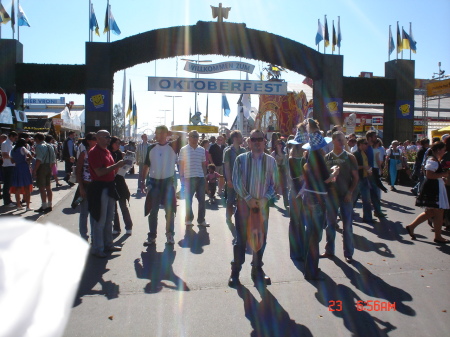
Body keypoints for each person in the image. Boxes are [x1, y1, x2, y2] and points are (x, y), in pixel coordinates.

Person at [228, 129, 279, 287]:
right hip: (244, 205)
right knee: (241, 241)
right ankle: (235, 272)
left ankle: (257, 270)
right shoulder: (241, 159)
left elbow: (274, 183)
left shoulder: (271, 161)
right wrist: (249, 199)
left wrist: (265, 199)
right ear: (248, 142)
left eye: (260, 139)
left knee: (260, 240)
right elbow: (236, 181)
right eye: (254, 139)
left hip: (262, 207)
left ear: (265, 141)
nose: (257, 142)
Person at [301, 119, 339, 280]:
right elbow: (326, 179)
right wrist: (335, 172)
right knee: (315, 236)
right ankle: (311, 269)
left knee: (310, 233)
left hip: (308, 197)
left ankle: (308, 266)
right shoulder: (318, 157)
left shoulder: (309, 157)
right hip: (317, 199)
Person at [88, 130, 126, 258]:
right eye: (106, 137)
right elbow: (99, 172)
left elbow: (111, 170)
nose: (109, 139)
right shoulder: (94, 152)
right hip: (100, 187)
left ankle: (108, 244)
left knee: (109, 217)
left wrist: (121, 167)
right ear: (97, 138)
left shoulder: (107, 151)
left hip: (109, 186)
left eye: (109, 137)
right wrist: (117, 165)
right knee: (100, 219)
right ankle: (98, 248)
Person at [322, 131, 359, 263]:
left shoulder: (350, 157)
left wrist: (350, 192)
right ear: (332, 141)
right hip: (331, 196)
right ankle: (329, 250)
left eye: (343, 139)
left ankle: (348, 253)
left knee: (347, 225)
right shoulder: (327, 157)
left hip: (345, 196)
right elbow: (324, 177)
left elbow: (356, 177)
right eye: (339, 140)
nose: (342, 142)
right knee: (330, 224)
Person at [406, 141, 449, 244]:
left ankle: (412, 227)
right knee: (437, 211)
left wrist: (441, 176)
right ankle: (437, 236)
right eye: (443, 150)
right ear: (438, 150)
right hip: (433, 188)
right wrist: (444, 174)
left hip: (435, 186)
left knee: (433, 211)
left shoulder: (434, 159)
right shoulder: (432, 160)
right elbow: (429, 175)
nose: (444, 152)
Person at [141, 125, 178, 245]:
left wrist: (171, 132)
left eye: (163, 133)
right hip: (154, 182)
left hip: (168, 182)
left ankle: (170, 235)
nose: (160, 135)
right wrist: (142, 181)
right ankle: (152, 236)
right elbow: (146, 166)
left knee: (169, 211)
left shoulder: (173, 146)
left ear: (167, 134)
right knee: (153, 211)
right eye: (158, 133)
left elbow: (184, 135)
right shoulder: (151, 148)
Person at [178, 130, 209, 227]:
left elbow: (203, 164)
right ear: (189, 137)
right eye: (193, 136)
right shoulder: (184, 149)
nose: (195, 138)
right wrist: (181, 177)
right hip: (188, 177)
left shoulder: (201, 150)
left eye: (196, 136)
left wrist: (205, 176)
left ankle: (201, 220)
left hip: (200, 177)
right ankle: (188, 219)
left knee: (202, 201)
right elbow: (181, 164)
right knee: (188, 200)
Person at [287, 126, 308, 261]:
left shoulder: (304, 159)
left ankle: (301, 250)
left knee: (301, 222)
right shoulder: (293, 159)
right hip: (297, 192)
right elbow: (297, 178)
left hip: (303, 192)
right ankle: (296, 251)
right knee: (296, 222)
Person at [353, 138, 383, 223]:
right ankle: (344, 214)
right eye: (365, 143)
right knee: (353, 199)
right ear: (360, 145)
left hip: (365, 178)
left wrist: (368, 171)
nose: (367, 145)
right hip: (358, 179)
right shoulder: (355, 154)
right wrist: (363, 167)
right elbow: (353, 167)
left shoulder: (365, 153)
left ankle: (367, 218)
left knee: (367, 199)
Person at [108, 136, 134, 236]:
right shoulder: (107, 153)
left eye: (119, 143)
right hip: (110, 181)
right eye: (116, 143)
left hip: (119, 181)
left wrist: (128, 163)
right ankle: (116, 227)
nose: (118, 145)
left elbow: (127, 168)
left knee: (123, 206)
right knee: (113, 208)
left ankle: (128, 226)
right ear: (111, 143)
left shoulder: (121, 154)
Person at [75, 132, 97, 241]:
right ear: (88, 141)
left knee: (95, 213)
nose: (97, 141)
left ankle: (94, 236)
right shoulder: (84, 153)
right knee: (84, 213)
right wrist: (81, 188)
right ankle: (83, 236)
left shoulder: (99, 153)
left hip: (96, 187)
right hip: (86, 186)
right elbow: (78, 171)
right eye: (94, 139)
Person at [223, 130, 246, 225]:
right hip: (232, 180)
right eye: (240, 137)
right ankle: (228, 216)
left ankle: (239, 218)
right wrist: (228, 180)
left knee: (241, 200)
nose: (242, 139)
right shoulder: (228, 152)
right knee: (230, 199)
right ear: (235, 138)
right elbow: (227, 167)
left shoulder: (243, 151)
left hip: (241, 181)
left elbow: (245, 166)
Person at [32, 133, 56, 213]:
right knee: (48, 187)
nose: (35, 141)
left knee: (42, 188)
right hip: (49, 166)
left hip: (42, 166)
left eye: (35, 139)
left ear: (38, 139)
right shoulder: (50, 146)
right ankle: (50, 205)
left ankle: (44, 206)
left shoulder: (39, 147)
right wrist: (51, 168)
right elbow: (53, 159)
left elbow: (39, 160)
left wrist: (35, 170)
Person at [10, 138, 33, 211]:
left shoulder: (13, 150)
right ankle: (28, 206)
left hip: (17, 167)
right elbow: (31, 157)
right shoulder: (23, 149)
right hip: (24, 167)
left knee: (18, 188)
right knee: (27, 187)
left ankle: (18, 205)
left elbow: (12, 161)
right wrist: (25, 160)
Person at [271, 137, 289, 209]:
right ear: (276, 145)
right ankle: (272, 200)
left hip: (283, 172)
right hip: (276, 172)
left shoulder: (285, 154)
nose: (280, 145)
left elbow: (287, 164)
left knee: (284, 187)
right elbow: (271, 163)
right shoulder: (273, 154)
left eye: (281, 144)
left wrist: (287, 173)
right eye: (278, 144)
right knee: (274, 187)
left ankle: (286, 203)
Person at [1, 131, 18, 207]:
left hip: (12, 165)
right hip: (8, 166)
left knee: (10, 184)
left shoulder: (11, 144)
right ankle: (7, 202)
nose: (15, 139)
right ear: (11, 136)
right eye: (15, 138)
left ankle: (9, 200)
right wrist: (13, 158)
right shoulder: (5, 144)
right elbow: (4, 155)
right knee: (7, 184)